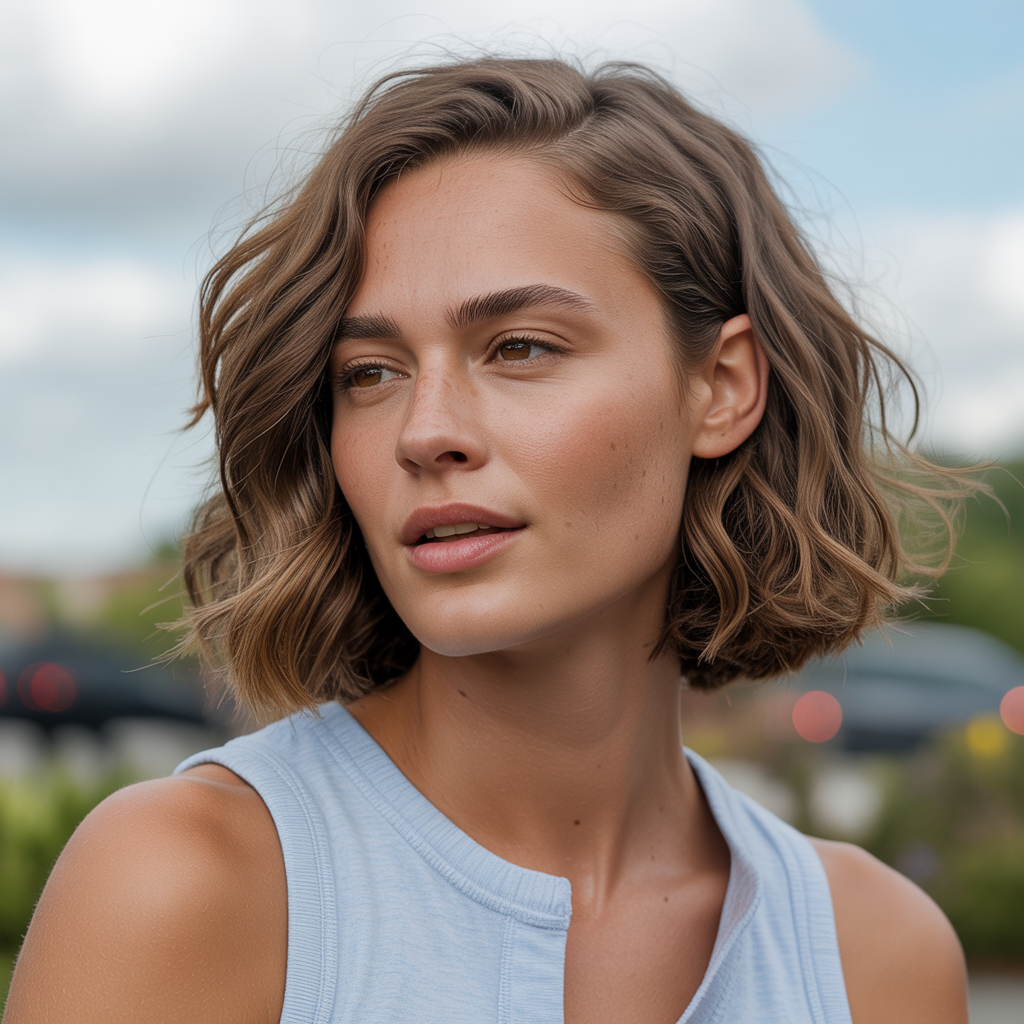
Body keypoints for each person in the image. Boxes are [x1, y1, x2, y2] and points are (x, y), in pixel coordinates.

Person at [5, 57, 971, 1024]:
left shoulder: (875, 959)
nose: (425, 432)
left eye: (519, 348)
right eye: (370, 372)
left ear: (721, 387)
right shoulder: (190, 884)